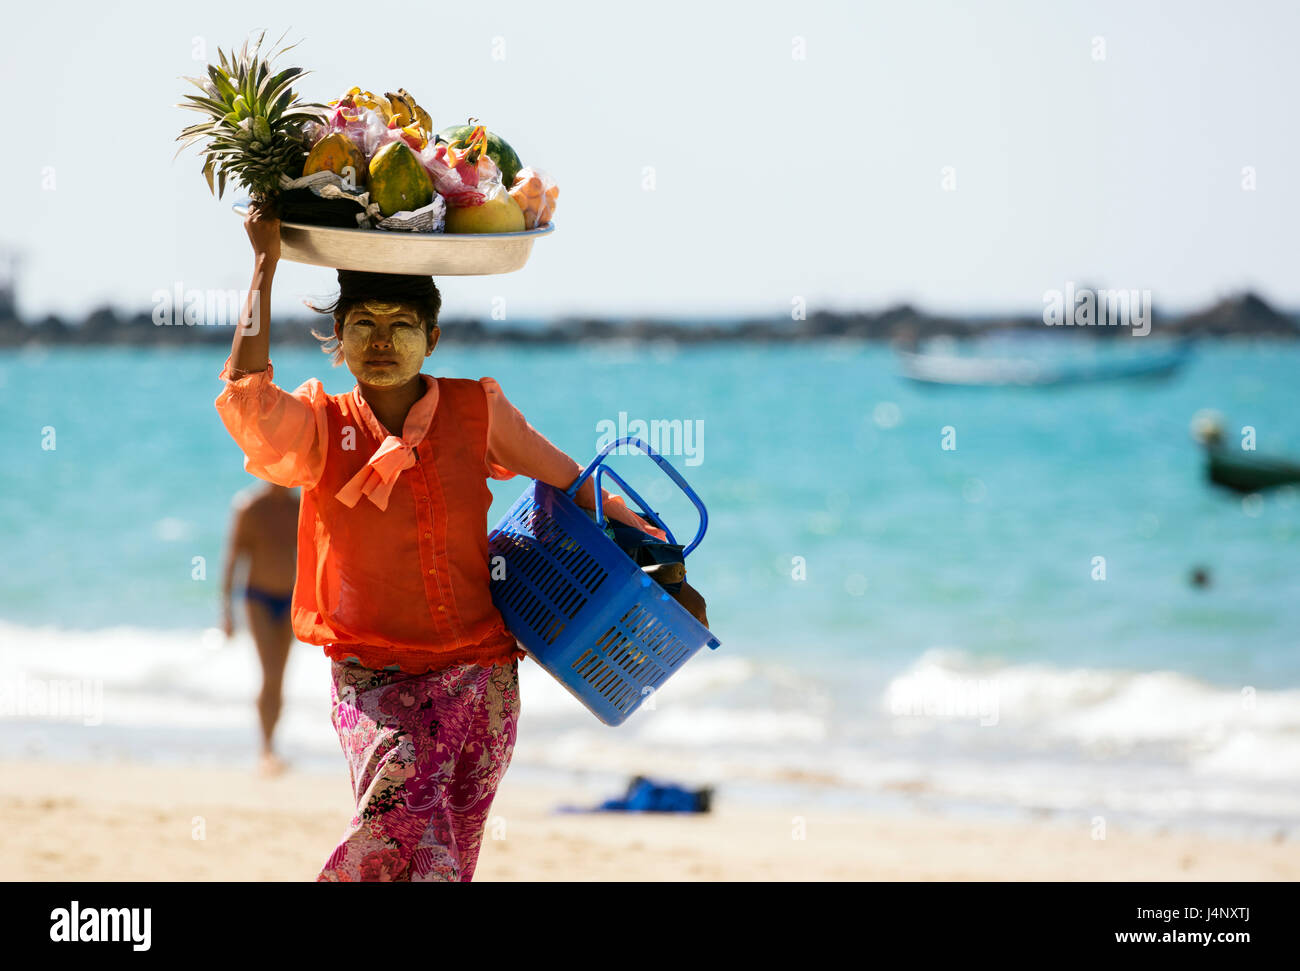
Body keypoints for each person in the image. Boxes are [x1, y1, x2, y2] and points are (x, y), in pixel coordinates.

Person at [214, 203, 665, 882]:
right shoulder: (320, 426)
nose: (382, 340)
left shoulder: (478, 410)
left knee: (448, 860)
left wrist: (642, 531)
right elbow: (247, 397)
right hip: (373, 677)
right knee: (396, 820)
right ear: (338, 335)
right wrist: (263, 262)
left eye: (402, 326)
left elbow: (570, 479)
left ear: (432, 336)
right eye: (364, 324)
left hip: (481, 678)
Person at [220, 481, 301, 777]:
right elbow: (233, 558)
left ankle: (272, 746)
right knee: (269, 673)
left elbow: (313, 556)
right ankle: (265, 749)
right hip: (258, 598)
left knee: (279, 676)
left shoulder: (298, 506)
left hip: (291, 598)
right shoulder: (250, 506)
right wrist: (226, 611)